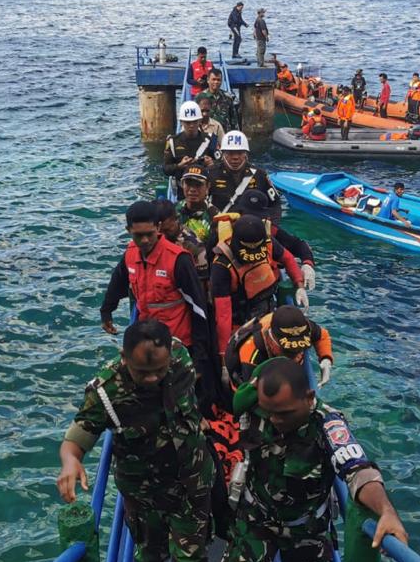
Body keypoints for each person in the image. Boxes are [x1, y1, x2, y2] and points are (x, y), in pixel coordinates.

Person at [224, 358, 408, 562]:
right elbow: (238, 396)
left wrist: (386, 511)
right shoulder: (258, 408)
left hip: (305, 528)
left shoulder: (327, 424)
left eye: (284, 413)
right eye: (269, 413)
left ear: (309, 398)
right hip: (256, 519)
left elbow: (358, 470)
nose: (275, 421)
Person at [58, 320, 214, 562]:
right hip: (145, 495)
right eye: (143, 372)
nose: (153, 379)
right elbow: (77, 438)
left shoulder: (180, 358)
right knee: (151, 557)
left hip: (191, 485)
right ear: (124, 358)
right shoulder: (106, 392)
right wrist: (71, 462)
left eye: (158, 370)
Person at [100, 201, 215, 410]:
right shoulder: (131, 254)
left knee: (184, 398)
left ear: (158, 228)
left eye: (149, 234)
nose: (144, 240)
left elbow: (198, 309)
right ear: (128, 231)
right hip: (147, 338)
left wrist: (199, 358)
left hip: (178, 342)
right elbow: (119, 280)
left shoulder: (177, 260)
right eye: (138, 235)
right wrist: (107, 310)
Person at [210, 214, 307, 360]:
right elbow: (223, 314)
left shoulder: (268, 242)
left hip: (268, 310)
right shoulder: (222, 266)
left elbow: (288, 258)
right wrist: (224, 355)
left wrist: (299, 285)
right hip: (241, 322)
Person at [224, 305, 334, 390]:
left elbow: (322, 335)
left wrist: (326, 359)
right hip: (243, 377)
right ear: (271, 340)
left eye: (300, 348)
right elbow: (251, 396)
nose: (296, 356)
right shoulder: (251, 353)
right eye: (288, 351)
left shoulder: (302, 326)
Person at [234, 188, 317, 292]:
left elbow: (298, 246)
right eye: (247, 215)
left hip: (267, 284)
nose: (252, 222)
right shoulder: (224, 234)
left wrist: (307, 264)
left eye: (257, 217)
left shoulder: (271, 232)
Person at [207, 130, 281, 215]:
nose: (235, 157)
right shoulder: (210, 173)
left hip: (250, 225)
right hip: (219, 224)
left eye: (239, 153)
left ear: (246, 154)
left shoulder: (259, 175)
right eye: (230, 153)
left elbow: (275, 204)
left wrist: (271, 225)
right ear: (223, 154)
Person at [176, 166, 219, 284]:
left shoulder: (215, 217)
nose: (192, 190)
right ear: (182, 185)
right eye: (188, 184)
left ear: (208, 186)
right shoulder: (173, 211)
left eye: (198, 185)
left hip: (204, 275)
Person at [164, 100, 219, 186]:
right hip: (182, 188)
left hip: (204, 188)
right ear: (181, 122)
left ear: (200, 121)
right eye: (188, 122)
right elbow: (165, 169)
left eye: (194, 121)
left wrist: (212, 164)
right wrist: (179, 166)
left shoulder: (210, 139)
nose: (191, 125)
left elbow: (221, 164)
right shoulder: (173, 141)